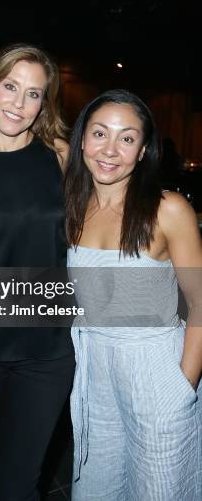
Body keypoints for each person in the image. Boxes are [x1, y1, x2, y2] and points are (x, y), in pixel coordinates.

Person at [64, 89, 202, 500]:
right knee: (96, 489)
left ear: (143, 150)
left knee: (160, 489)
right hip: (93, 373)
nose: (110, 150)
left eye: (127, 138)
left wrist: (183, 385)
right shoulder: (73, 205)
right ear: (82, 141)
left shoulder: (168, 209)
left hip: (155, 368)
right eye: (99, 133)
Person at [0, 44, 75, 501]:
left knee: (19, 481)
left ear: (45, 103)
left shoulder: (60, 156)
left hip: (48, 345)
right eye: (10, 87)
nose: (19, 104)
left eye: (33, 94)